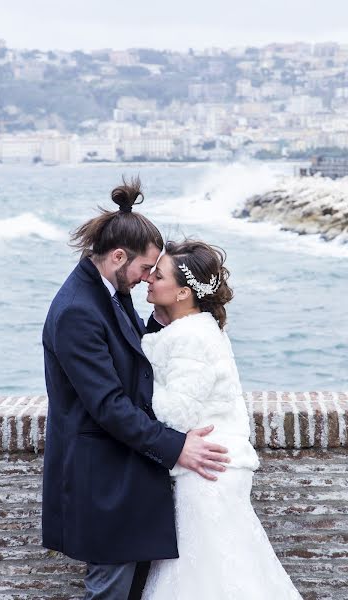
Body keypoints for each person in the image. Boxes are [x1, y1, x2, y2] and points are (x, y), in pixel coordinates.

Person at [41, 178, 230, 600]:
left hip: (126, 477)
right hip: (102, 482)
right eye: (146, 268)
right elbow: (108, 405)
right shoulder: (77, 311)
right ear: (119, 256)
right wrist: (176, 446)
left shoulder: (111, 290)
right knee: (108, 592)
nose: (148, 279)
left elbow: (134, 353)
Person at [141, 239, 303, 600]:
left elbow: (175, 411)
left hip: (208, 469)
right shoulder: (201, 327)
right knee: (229, 567)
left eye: (159, 274)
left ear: (183, 292)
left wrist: (131, 393)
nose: (149, 278)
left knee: (211, 577)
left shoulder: (190, 337)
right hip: (215, 464)